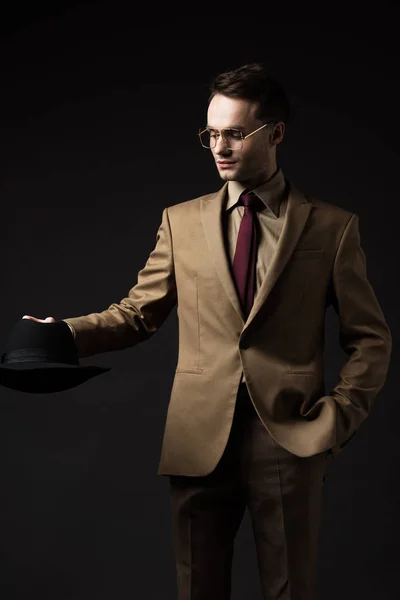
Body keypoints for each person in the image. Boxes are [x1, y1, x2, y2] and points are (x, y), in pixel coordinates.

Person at [23, 63, 392, 600]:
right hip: (199, 439)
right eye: (211, 133)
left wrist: (336, 419)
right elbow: (137, 313)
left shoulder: (332, 228)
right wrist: (63, 336)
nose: (220, 146)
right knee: (197, 589)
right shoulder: (181, 221)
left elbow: (371, 338)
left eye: (236, 133)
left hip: (290, 438)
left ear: (277, 134)